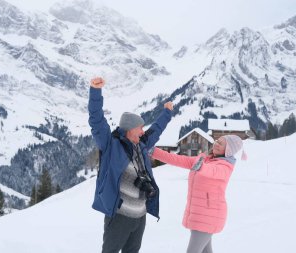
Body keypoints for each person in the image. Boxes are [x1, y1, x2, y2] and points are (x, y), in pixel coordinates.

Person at [88, 77, 173, 253]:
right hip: (119, 216)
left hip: (139, 216)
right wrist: (95, 92)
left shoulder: (141, 145)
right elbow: (96, 121)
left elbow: (156, 130)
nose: (143, 131)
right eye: (140, 128)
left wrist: (167, 113)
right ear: (129, 129)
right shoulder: (111, 144)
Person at [149, 135, 247, 253]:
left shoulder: (225, 167)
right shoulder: (204, 159)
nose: (216, 143)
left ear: (228, 151)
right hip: (200, 214)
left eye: (220, 144)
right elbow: (177, 159)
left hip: (209, 216)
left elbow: (213, 171)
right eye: (217, 141)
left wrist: (201, 167)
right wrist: (154, 151)